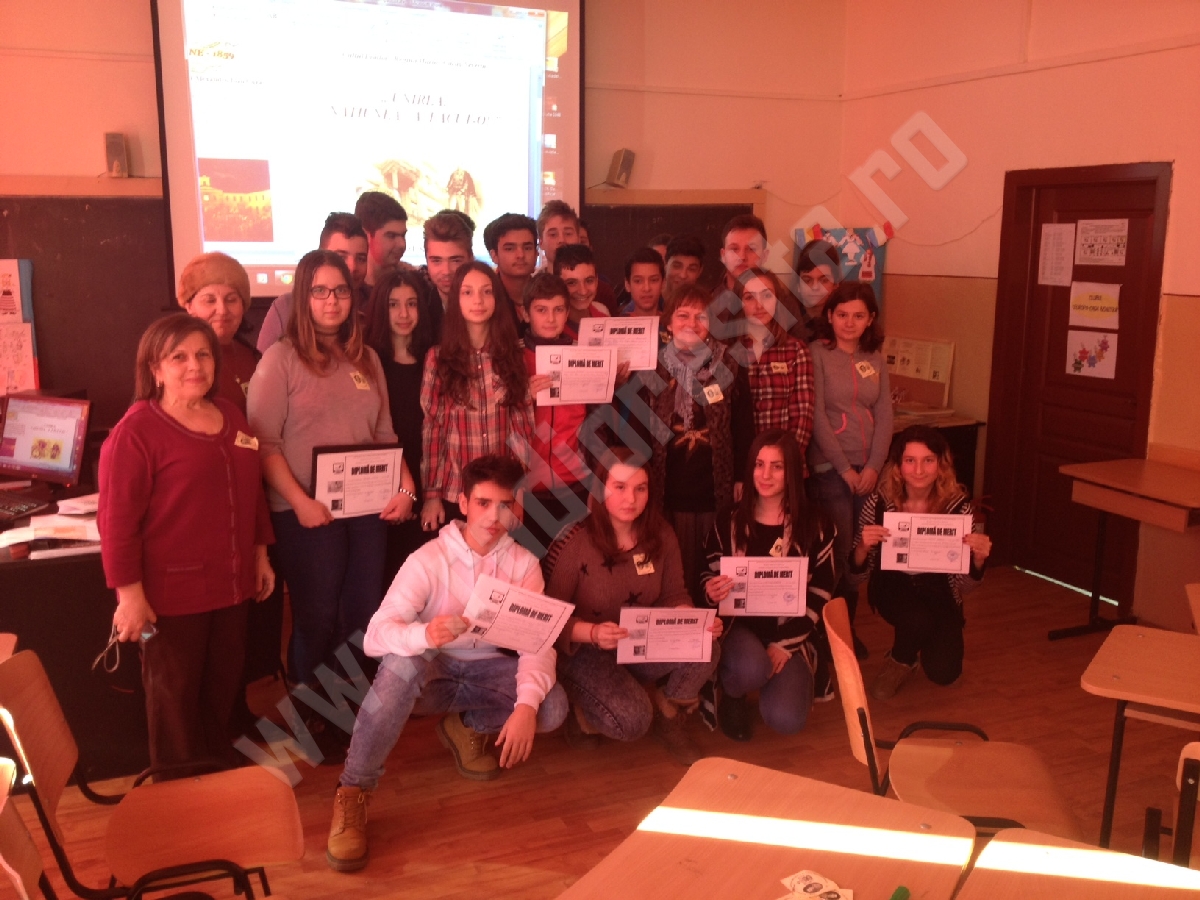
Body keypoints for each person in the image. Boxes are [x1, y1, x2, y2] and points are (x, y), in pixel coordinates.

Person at [326, 455, 569, 872]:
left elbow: (538, 644)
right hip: (431, 674)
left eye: (505, 505)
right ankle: (352, 791)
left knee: (551, 707)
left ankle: (467, 726)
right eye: (483, 503)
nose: (494, 517)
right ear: (464, 502)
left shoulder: (524, 565)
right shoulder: (427, 559)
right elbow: (375, 635)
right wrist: (425, 634)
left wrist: (526, 707)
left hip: (486, 672)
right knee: (400, 665)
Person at [247, 250, 417, 748]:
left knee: (362, 612)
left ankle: (350, 714)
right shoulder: (279, 360)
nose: (331, 301)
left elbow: (385, 433)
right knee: (316, 617)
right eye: (319, 291)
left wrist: (406, 489)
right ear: (302, 297)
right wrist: (300, 502)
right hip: (304, 515)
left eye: (340, 290)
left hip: (366, 511)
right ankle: (310, 718)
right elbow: (264, 444)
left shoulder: (366, 358)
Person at [98, 314, 274, 769]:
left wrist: (260, 553)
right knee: (173, 700)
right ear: (155, 369)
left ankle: (214, 776)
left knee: (222, 689)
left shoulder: (231, 415)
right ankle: (177, 791)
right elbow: (116, 524)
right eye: (178, 357)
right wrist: (129, 597)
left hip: (232, 587)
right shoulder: (135, 432)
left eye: (202, 355)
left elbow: (252, 491)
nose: (194, 365)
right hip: (170, 599)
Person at [543, 447, 723, 766]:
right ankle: (582, 709)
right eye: (620, 487)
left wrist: (692, 622)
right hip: (584, 648)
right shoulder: (573, 541)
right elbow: (548, 621)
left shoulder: (661, 533)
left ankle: (669, 713)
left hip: (638, 641)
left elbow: (674, 595)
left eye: (640, 489)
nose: (631, 499)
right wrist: (593, 633)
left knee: (707, 645)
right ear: (601, 488)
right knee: (633, 722)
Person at [700, 430, 836, 740]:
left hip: (789, 630)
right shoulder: (729, 519)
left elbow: (821, 592)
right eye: (759, 465)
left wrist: (785, 645)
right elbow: (706, 573)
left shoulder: (816, 524)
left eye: (777, 467)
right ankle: (733, 693)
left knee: (787, 719)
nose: (765, 475)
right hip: (737, 629)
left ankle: (774, 679)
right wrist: (710, 590)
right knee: (751, 668)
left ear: (793, 472)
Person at [849, 425, 992, 700]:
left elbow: (966, 587)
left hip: (938, 588)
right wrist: (862, 549)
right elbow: (855, 578)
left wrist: (977, 560)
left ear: (940, 465)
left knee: (945, 673)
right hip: (893, 584)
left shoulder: (957, 508)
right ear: (898, 467)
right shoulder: (879, 503)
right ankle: (901, 660)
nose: (918, 470)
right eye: (910, 460)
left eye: (928, 460)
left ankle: (917, 643)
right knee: (917, 620)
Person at [648, 284, 751, 603]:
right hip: (668, 488)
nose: (691, 323)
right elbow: (639, 428)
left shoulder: (730, 364)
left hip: (714, 487)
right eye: (683, 315)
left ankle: (710, 623)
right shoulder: (652, 366)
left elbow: (743, 423)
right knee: (674, 568)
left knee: (710, 565)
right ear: (668, 322)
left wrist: (741, 477)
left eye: (701, 316)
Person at [808, 282, 892, 659]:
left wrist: (874, 466)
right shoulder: (817, 354)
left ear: (870, 319)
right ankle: (828, 634)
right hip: (831, 468)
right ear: (830, 316)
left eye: (858, 315)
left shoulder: (875, 358)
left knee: (861, 550)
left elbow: (885, 414)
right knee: (838, 551)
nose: (849, 322)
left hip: (868, 469)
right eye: (842, 314)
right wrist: (844, 468)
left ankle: (848, 630)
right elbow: (817, 416)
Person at [420, 261, 534, 533]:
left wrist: (521, 489)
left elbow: (522, 427)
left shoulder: (512, 354)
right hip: (456, 490)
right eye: (468, 292)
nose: (478, 300)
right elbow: (434, 429)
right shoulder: (438, 358)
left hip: (503, 490)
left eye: (486, 291)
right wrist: (432, 494)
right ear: (456, 299)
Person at [362, 267, 438, 582]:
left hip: (430, 485)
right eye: (393, 304)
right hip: (383, 488)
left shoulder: (434, 360)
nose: (404, 314)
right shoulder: (366, 362)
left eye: (411, 303)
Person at [517, 272, 593, 555]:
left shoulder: (585, 356)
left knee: (571, 566)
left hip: (575, 484)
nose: (550, 318)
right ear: (525, 313)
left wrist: (615, 382)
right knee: (528, 566)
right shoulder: (511, 360)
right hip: (525, 488)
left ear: (567, 312)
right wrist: (524, 396)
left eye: (558, 309)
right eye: (541, 310)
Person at [733, 267, 815, 464]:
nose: (759, 305)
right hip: (742, 461)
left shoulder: (796, 350)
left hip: (785, 460)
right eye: (749, 297)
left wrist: (784, 460)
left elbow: (803, 416)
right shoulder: (729, 353)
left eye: (767, 295)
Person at [257, 213, 372, 353]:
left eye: (361, 259)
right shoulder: (285, 307)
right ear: (321, 256)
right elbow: (262, 361)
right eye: (341, 258)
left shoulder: (376, 303)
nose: (352, 267)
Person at [176, 252, 258, 413]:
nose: (222, 310)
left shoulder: (253, 356)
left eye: (231, 300)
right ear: (189, 306)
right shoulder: (176, 361)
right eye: (210, 300)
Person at [421, 210, 476, 343]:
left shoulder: (493, 303)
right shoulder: (417, 307)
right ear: (426, 260)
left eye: (455, 260)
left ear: (470, 258)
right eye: (436, 261)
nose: (446, 271)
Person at [484, 212, 539, 324]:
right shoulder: (485, 299)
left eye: (527, 248)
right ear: (494, 256)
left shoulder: (548, 293)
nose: (520, 255)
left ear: (536, 253)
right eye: (510, 249)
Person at [553, 243, 609, 342]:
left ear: (597, 281)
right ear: (557, 284)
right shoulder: (550, 328)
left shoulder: (604, 319)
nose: (583, 291)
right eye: (571, 283)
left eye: (589, 281)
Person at [355, 191, 408, 291]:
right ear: (365, 236)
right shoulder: (348, 288)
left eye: (403, 235)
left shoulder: (412, 282)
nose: (402, 244)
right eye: (391, 236)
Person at [792, 239, 841, 343]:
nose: (815, 287)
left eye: (824, 280)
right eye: (807, 280)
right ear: (798, 286)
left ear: (836, 285)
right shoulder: (787, 320)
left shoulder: (845, 322)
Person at [620, 247, 665, 317]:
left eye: (654, 280)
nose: (647, 288)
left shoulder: (673, 322)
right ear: (627, 285)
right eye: (638, 281)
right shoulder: (618, 323)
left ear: (663, 283)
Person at [536, 199, 579, 271]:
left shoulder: (593, 278)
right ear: (541, 243)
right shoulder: (535, 278)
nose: (561, 240)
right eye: (553, 235)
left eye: (568, 233)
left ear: (578, 239)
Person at [663, 234, 705, 300]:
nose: (683, 275)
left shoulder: (707, 305)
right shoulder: (651, 302)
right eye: (677, 266)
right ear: (665, 264)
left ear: (700, 271)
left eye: (691, 269)